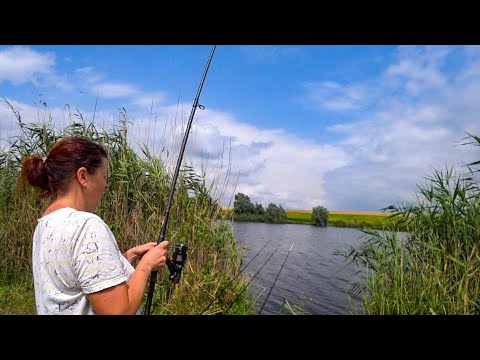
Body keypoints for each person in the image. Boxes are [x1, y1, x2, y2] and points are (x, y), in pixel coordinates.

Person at [21, 136, 169, 315]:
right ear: (83, 176)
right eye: (104, 176)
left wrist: (126, 257)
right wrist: (146, 265)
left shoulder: (45, 223)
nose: (106, 185)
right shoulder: (87, 226)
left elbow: (76, 276)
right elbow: (118, 312)